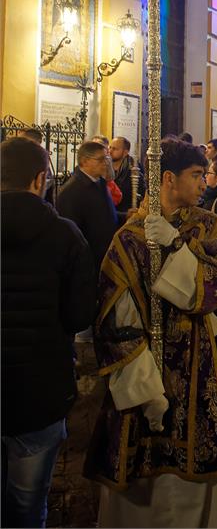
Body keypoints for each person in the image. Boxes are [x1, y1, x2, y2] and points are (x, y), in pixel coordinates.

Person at [85, 138, 217, 527]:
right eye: (195, 175)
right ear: (169, 179)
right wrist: (143, 385)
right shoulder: (129, 238)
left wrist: (177, 248)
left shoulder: (210, 227)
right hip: (143, 382)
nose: (203, 183)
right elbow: (112, 318)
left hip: (199, 369)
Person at [1, 137, 96, 528]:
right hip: (39, 390)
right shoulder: (65, 235)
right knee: (27, 505)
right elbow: (78, 317)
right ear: (40, 179)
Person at [57, 141, 118, 273]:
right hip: (89, 263)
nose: (106, 163)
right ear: (85, 161)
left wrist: (125, 216)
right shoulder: (71, 192)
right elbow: (71, 234)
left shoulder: (100, 182)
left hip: (106, 257)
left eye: (107, 158)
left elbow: (103, 215)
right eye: (101, 159)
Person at [109, 136, 146, 217]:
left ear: (125, 152)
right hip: (110, 213)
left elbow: (141, 192)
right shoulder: (105, 167)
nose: (110, 151)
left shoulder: (133, 169)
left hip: (126, 213)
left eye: (115, 149)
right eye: (110, 147)